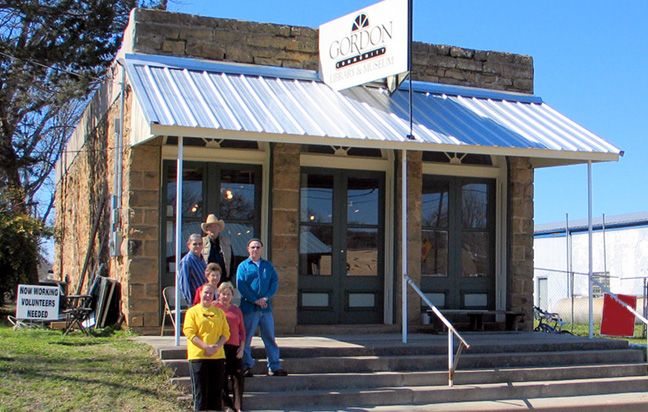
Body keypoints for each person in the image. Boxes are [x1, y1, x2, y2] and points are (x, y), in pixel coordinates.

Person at [236, 238, 288, 377]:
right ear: (248, 249)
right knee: (246, 338)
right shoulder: (243, 266)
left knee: (269, 337)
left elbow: (274, 283)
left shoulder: (268, 266)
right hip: (249, 308)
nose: (255, 249)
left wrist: (265, 298)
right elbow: (241, 286)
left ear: (262, 249)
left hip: (265, 309)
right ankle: (246, 365)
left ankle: (274, 366)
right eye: (252, 247)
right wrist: (254, 300)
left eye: (258, 247)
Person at [183, 283, 230, 411]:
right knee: (201, 394)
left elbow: (226, 333)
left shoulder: (219, 313)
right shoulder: (192, 312)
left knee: (215, 395)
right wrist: (205, 347)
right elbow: (189, 332)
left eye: (211, 293)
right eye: (206, 292)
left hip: (217, 357)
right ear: (200, 294)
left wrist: (217, 346)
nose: (208, 295)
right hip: (198, 357)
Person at [216, 282, 246, 412]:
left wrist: (242, 347)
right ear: (219, 294)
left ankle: (238, 406)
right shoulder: (214, 308)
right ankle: (227, 405)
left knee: (238, 376)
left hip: (235, 346)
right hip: (220, 347)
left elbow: (242, 331)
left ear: (232, 295)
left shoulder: (236, 309)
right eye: (223, 294)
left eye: (228, 294)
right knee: (222, 377)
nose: (225, 296)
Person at [201, 214, 233, 282]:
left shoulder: (226, 243)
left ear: (219, 229)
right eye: (210, 227)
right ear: (207, 229)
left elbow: (232, 262)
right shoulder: (201, 243)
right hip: (206, 281)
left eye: (215, 226)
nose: (213, 229)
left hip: (222, 280)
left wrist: (229, 278)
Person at [178, 234, 207, 305]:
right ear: (189, 245)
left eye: (200, 244)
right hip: (195, 300)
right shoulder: (186, 261)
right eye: (195, 244)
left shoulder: (202, 260)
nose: (198, 246)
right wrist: (190, 302)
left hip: (205, 299)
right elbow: (184, 284)